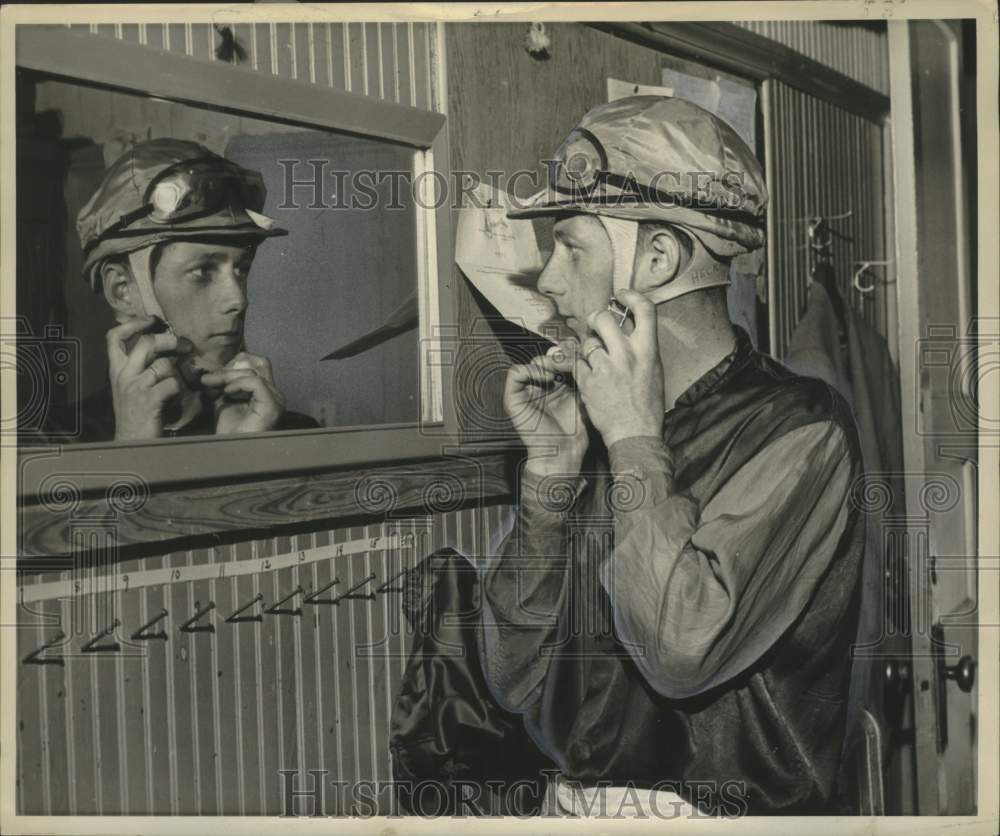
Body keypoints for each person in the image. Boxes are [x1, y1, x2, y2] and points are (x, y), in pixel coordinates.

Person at [479, 96, 866, 815]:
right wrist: (550, 481)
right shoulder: (594, 421)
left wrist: (632, 441)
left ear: (656, 258)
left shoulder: (802, 430)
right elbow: (510, 680)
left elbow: (679, 653)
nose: (548, 279)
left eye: (572, 247)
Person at [46, 138, 316, 442]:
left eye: (241, 269)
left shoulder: (289, 434)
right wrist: (132, 451)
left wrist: (241, 455)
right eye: (203, 272)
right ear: (122, 291)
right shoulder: (52, 442)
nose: (238, 299)